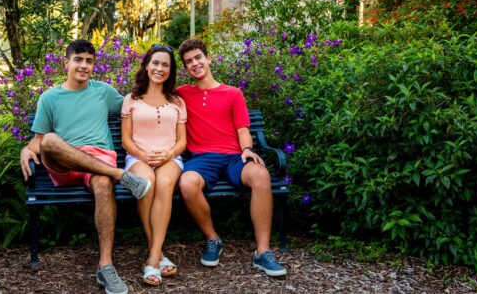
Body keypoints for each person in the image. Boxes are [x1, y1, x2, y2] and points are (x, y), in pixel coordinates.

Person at [19, 39, 151, 294]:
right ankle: (120, 175)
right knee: (50, 139)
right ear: (66, 62)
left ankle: (106, 266)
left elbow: (136, 105)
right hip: (64, 164)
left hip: (99, 162)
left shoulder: (103, 91)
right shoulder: (49, 97)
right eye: (78, 59)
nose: (84, 65)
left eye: (89, 61)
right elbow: (39, 141)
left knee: (103, 183)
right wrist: (26, 149)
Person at [176, 38, 287, 277]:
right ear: (185, 68)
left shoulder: (233, 93)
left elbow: (242, 130)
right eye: (188, 62)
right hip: (202, 159)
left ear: (208, 58)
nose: (194, 64)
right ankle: (213, 238)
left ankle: (263, 252)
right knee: (187, 183)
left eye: (198, 58)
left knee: (260, 174)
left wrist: (247, 149)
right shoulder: (181, 95)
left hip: (233, 157)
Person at [120, 44, 187, 286]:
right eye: (155, 63)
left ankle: (152, 257)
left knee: (165, 182)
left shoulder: (177, 101)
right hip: (138, 158)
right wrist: (143, 155)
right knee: (147, 183)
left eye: (165, 65)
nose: (160, 68)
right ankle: (157, 253)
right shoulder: (132, 99)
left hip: (170, 158)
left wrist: (168, 154)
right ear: (147, 65)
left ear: (171, 70)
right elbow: (125, 139)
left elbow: (182, 141)